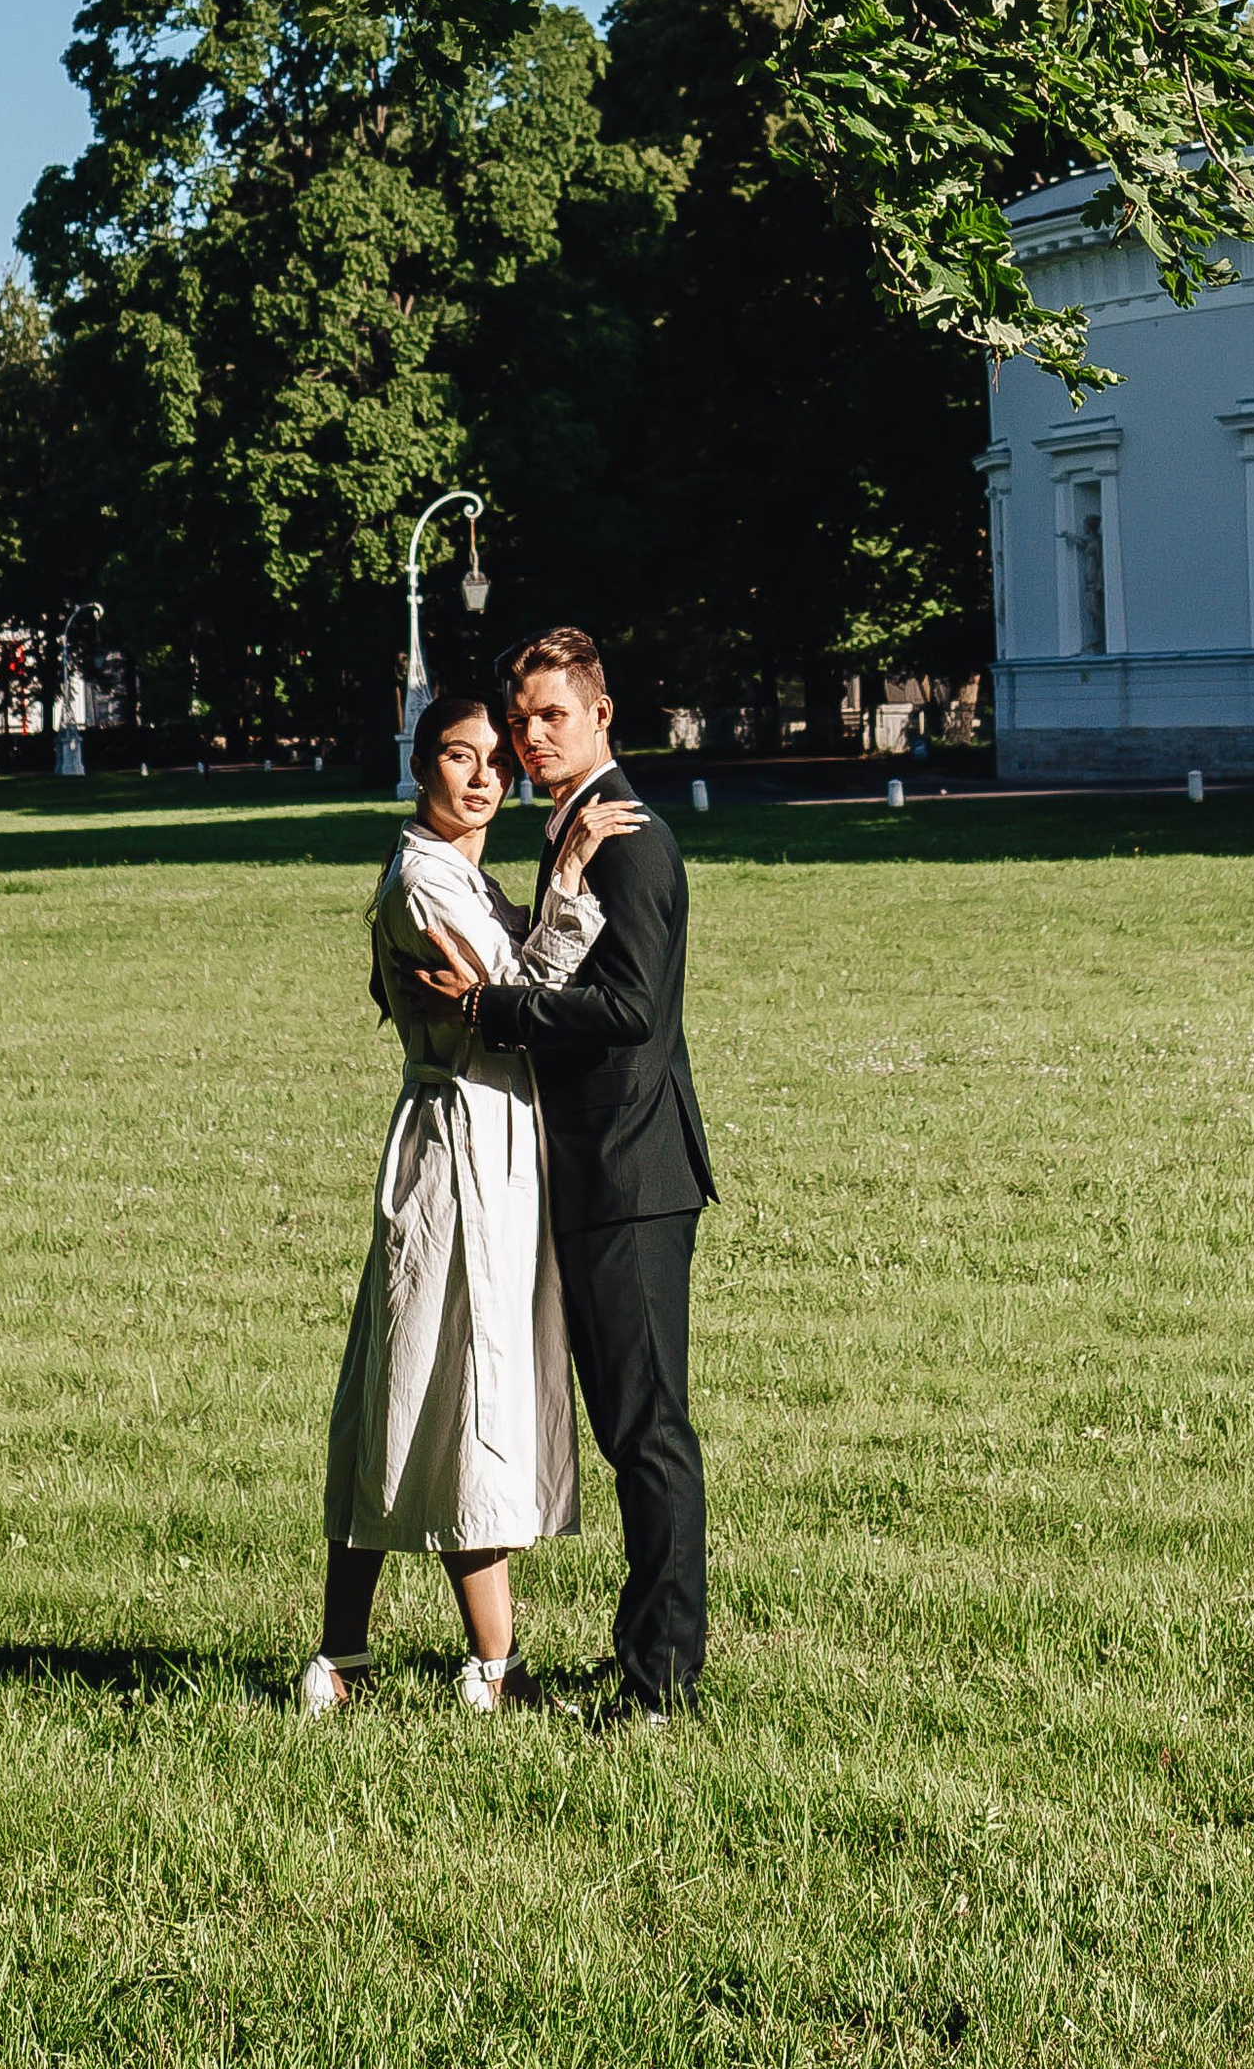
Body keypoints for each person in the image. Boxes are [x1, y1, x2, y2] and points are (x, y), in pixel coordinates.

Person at [302, 691, 642, 1719]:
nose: (485, 775)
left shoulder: (454, 872)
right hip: (460, 1153)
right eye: (460, 756)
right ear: (421, 765)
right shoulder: (427, 882)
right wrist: (574, 882)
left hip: (479, 1143)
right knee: (456, 1391)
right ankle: (491, 1669)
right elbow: (519, 1009)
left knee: (409, 1390)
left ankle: (343, 1659)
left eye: (496, 757)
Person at [412, 624, 715, 1728]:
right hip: (591, 1172)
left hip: (632, 1176)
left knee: (649, 1434)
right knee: (632, 1431)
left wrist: (493, 1011)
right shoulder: (577, 832)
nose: (530, 739)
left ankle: (661, 1686)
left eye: (552, 717)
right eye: (520, 720)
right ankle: (645, 1651)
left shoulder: (627, 838)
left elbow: (635, 1011)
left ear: (600, 715)